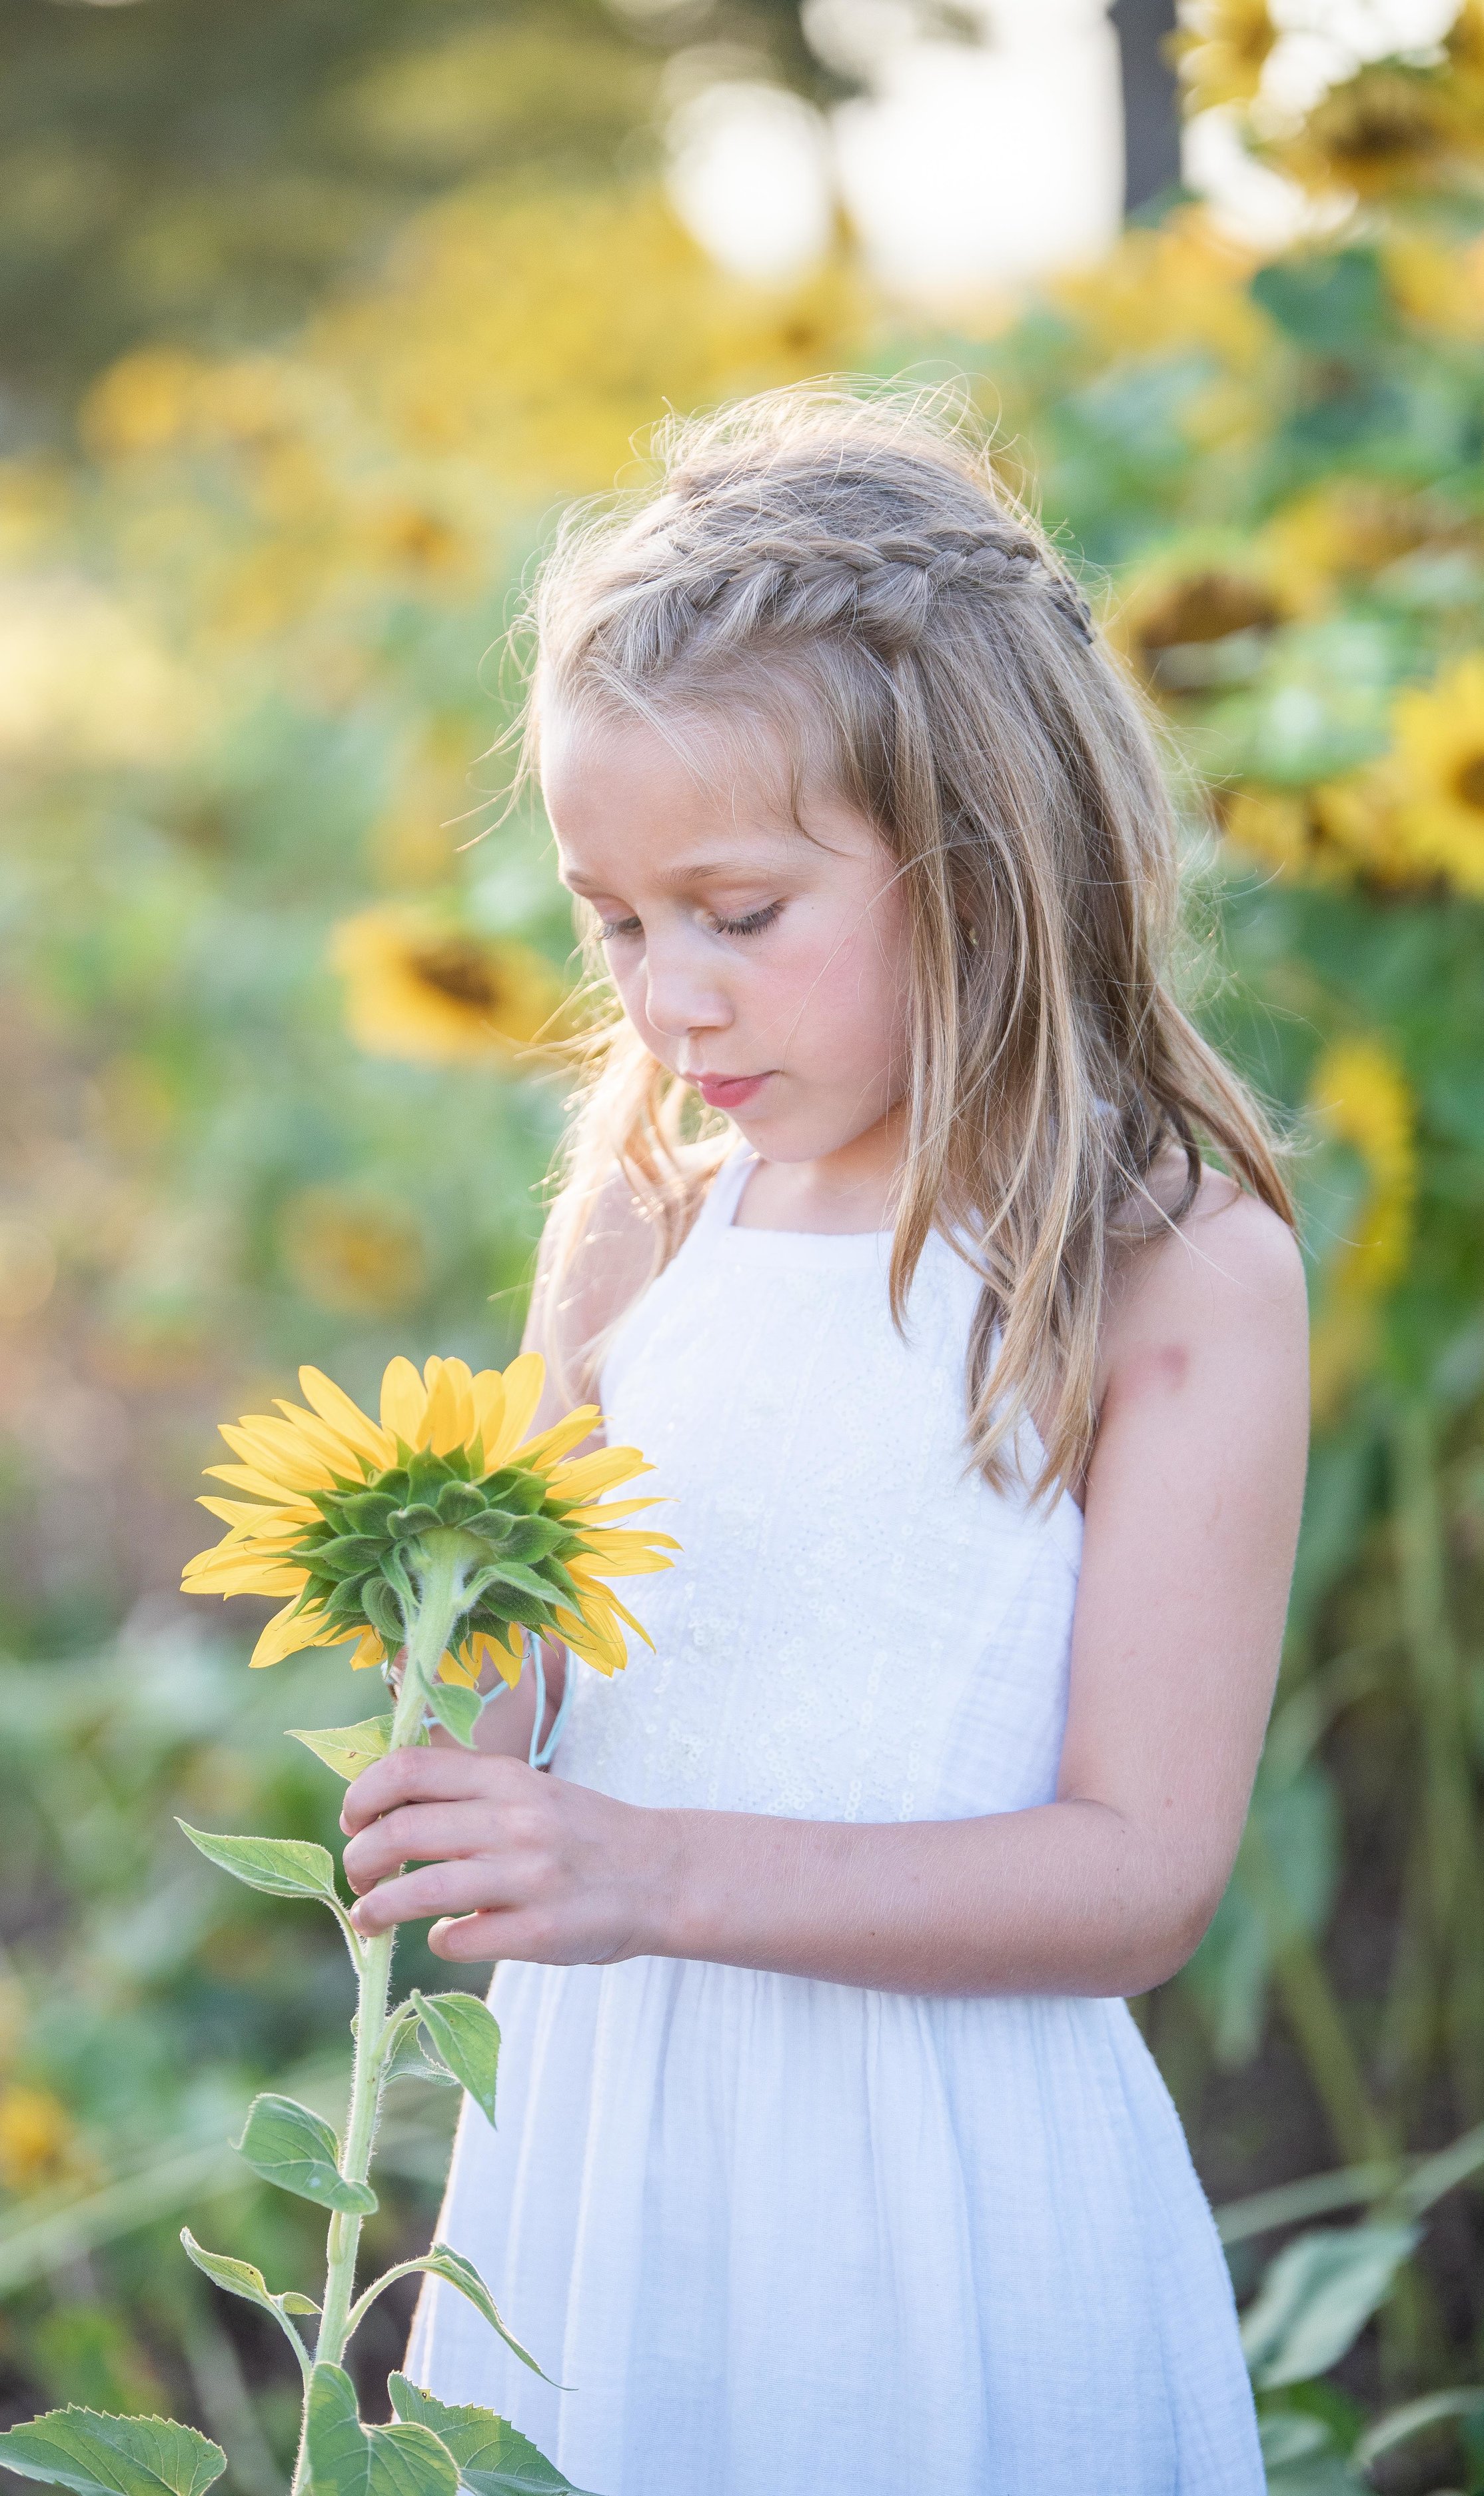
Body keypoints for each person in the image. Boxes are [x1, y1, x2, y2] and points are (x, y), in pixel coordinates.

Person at [338, 383, 1309, 2495]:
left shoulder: (1160, 1266)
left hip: (933, 2185)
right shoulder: (644, 1212)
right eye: (613, 920)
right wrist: (432, 1704)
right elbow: (536, 1691)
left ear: (980, 854)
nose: (666, 999)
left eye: (739, 912)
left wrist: (643, 1866)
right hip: (605, 2153)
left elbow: (1140, 1872)